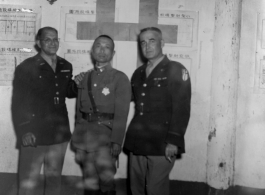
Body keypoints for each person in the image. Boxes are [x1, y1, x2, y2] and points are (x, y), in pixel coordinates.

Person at [123, 27, 191, 195]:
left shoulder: (176, 69)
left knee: (155, 189)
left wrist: (174, 140)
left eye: (152, 41)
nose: (147, 46)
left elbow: (182, 108)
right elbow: (128, 100)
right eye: (143, 42)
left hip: (162, 141)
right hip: (137, 140)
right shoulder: (138, 73)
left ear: (162, 43)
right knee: (136, 188)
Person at [11, 26, 78, 195]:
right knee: (28, 181)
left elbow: (66, 92)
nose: (52, 43)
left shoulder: (65, 65)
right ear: (38, 43)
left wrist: (77, 84)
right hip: (34, 132)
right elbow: (19, 103)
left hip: (59, 132)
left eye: (55, 39)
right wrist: (25, 130)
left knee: (54, 178)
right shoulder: (27, 67)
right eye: (47, 39)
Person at [71, 35, 131, 195]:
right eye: (98, 46)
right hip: (84, 139)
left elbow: (122, 113)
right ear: (92, 51)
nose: (102, 50)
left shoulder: (120, 78)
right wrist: (77, 140)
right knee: (89, 182)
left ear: (113, 53)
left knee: (106, 183)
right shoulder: (85, 77)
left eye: (107, 47)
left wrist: (117, 141)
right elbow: (79, 112)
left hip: (106, 139)